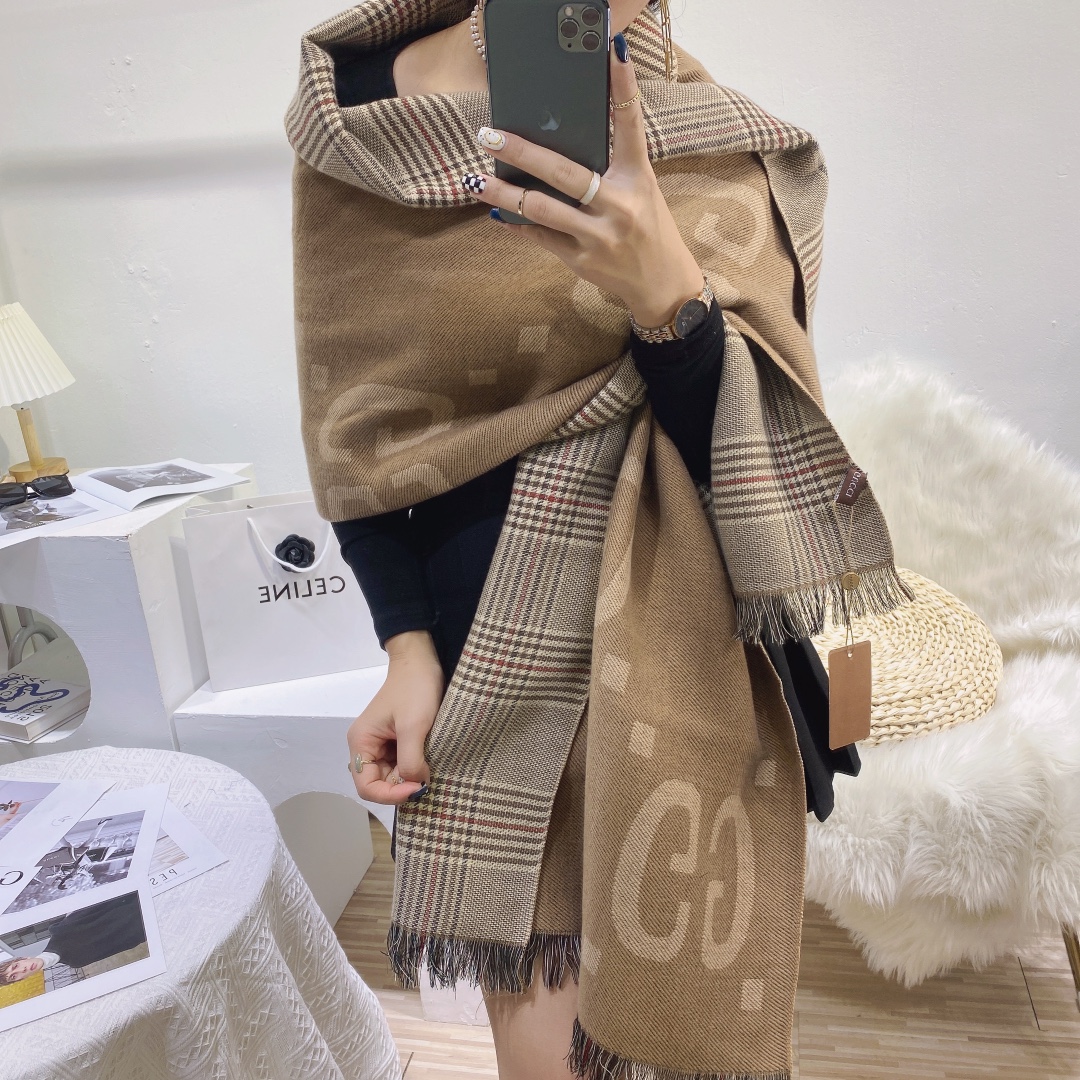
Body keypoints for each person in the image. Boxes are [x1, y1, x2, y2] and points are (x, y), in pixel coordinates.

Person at [287, 2, 910, 1078]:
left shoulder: (722, 138)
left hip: (687, 648)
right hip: (491, 663)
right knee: (544, 1057)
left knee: (682, 1031)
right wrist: (406, 646)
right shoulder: (358, 123)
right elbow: (359, 427)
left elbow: (753, 453)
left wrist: (670, 300)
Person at [0, 892, 146, 985]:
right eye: (14, 976)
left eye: (16, 967)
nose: (23, 969)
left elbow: (102, 903)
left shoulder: (60, 930)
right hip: (146, 929)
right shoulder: (76, 962)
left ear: (22, 959)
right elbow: (118, 946)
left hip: (139, 904)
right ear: (23, 979)